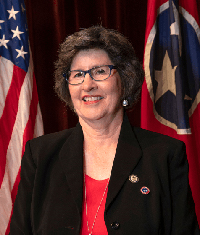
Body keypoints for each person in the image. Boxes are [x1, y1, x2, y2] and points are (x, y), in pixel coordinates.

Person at [10, 26, 200, 235]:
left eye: (100, 71)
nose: (87, 85)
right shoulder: (40, 155)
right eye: (78, 74)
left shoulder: (164, 155)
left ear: (125, 81)